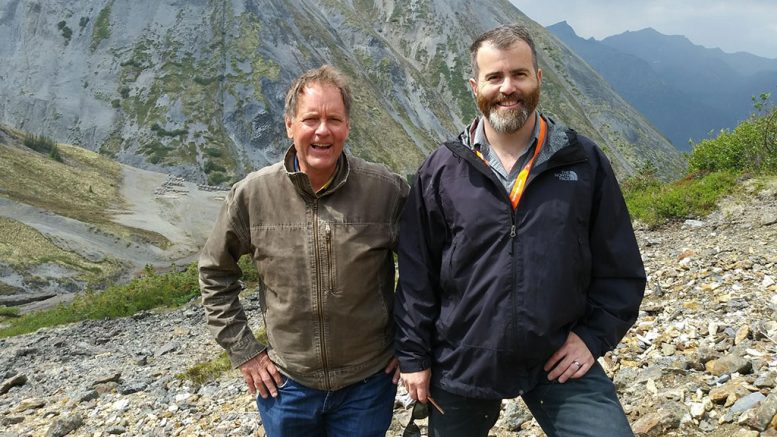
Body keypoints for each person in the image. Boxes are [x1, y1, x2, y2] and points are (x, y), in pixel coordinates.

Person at [394, 24, 646, 437]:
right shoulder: (441, 170)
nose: (507, 87)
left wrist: (592, 337)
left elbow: (620, 267)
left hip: (557, 354)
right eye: (494, 77)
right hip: (463, 360)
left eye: (519, 74)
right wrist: (414, 357)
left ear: (538, 79)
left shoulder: (582, 161)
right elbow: (416, 275)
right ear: (475, 87)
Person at [199, 65, 409, 437]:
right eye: (311, 119)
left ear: (347, 127)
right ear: (289, 125)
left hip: (368, 383)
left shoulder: (385, 190)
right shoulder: (252, 195)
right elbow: (215, 272)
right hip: (286, 385)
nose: (323, 130)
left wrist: (409, 341)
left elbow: (423, 267)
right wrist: (245, 351)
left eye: (334, 119)